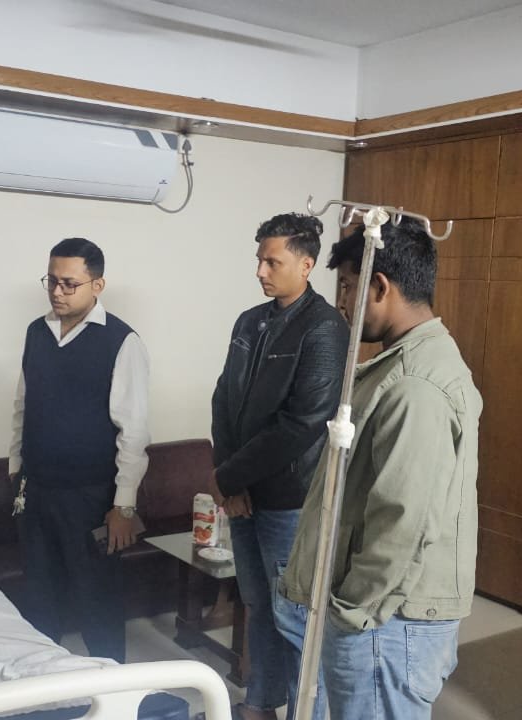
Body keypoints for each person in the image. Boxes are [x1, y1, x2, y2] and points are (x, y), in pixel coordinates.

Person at [280, 220, 482, 720]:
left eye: (349, 287)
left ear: (381, 287)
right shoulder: (401, 365)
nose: (342, 302)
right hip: (385, 613)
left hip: (388, 619)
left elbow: (405, 520)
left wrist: (353, 609)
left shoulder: (416, 384)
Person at [210, 213, 349, 720]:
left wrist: (231, 475)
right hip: (243, 492)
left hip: (291, 499)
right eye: (259, 260)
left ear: (306, 265)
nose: (261, 271)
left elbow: (303, 423)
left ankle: (304, 713)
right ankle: (260, 704)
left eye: (273, 262)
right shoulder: (250, 321)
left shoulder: (325, 328)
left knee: (295, 617)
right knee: (258, 606)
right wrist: (229, 479)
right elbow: (224, 398)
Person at [9, 237, 150, 662]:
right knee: (39, 598)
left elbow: (133, 431)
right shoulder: (37, 332)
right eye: (51, 281)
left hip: (91, 497)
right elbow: (23, 404)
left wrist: (123, 506)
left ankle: (114, 686)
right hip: (37, 491)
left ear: (97, 285)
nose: (57, 291)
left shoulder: (121, 341)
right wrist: (16, 467)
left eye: (69, 283)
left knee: (97, 601)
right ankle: (42, 684)